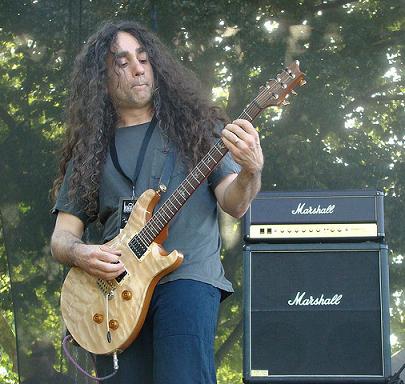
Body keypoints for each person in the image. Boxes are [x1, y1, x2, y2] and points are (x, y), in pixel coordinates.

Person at [50, 20, 263, 384]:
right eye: (122, 62)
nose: (137, 68)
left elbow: (235, 203)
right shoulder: (89, 152)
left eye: (144, 58)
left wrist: (250, 172)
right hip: (115, 294)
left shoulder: (199, 127)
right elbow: (62, 238)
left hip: (187, 277)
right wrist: (81, 254)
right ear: (100, 77)